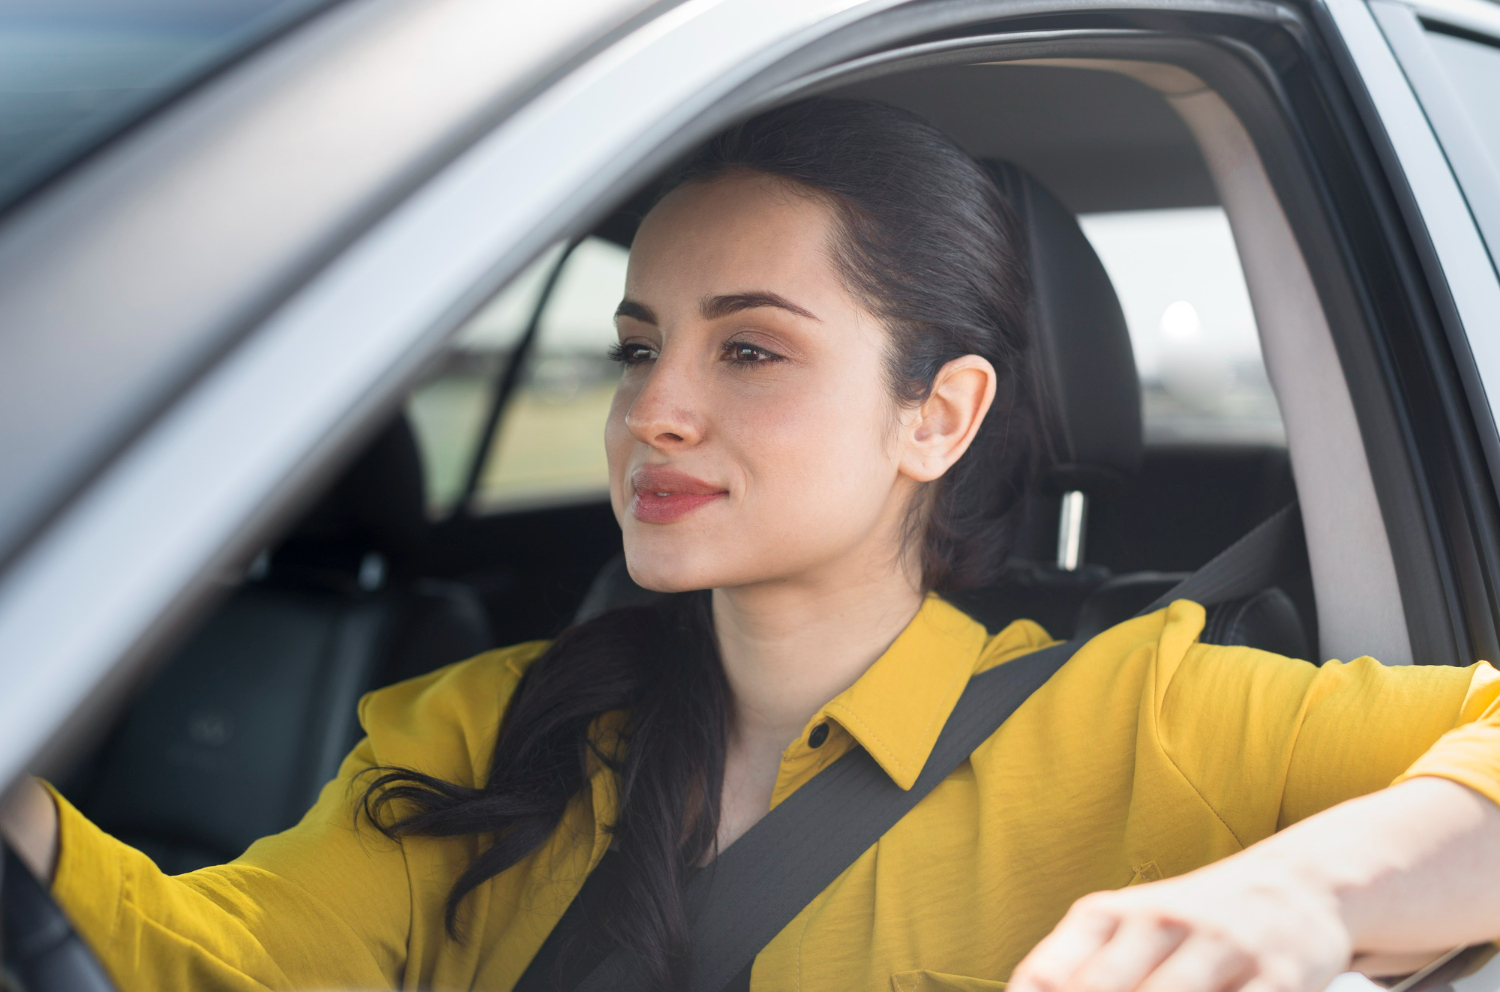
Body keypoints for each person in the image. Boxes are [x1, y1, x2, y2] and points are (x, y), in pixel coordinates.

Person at [6, 97, 1500, 992]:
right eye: (637, 347)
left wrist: (1306, 892)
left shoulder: (1143, 719)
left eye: (752, 353)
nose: (652, 410)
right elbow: (210, 967)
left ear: (938, 414)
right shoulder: (490, 727)